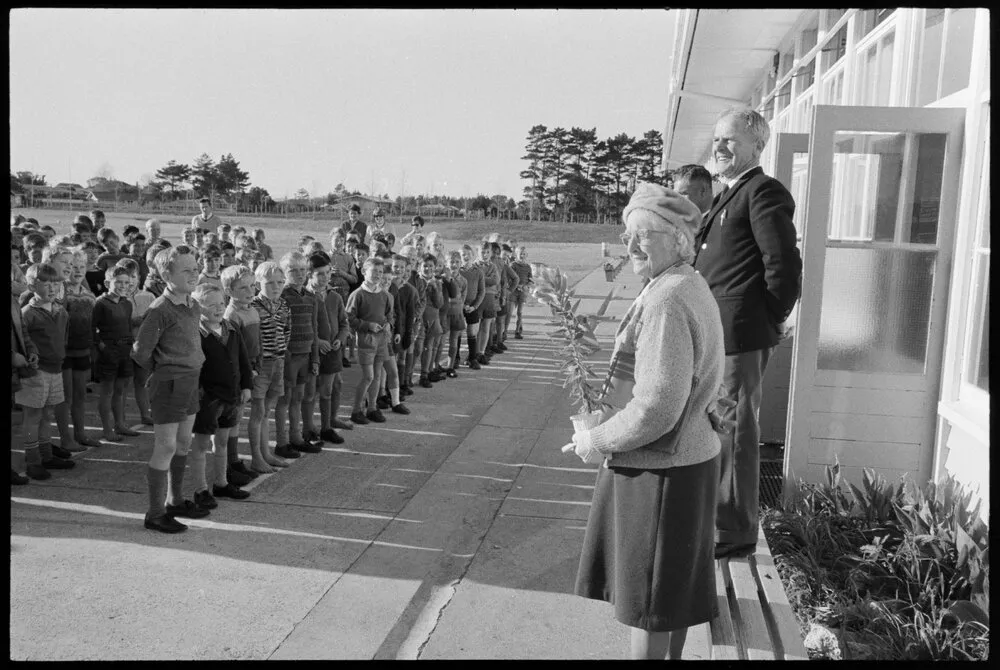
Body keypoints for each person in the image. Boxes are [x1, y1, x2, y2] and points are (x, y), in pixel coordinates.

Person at [565, 183, 732, 660]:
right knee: (667, 603)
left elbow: (658, 406)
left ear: (678, 240)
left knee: (651, 604)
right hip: (686, 460)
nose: (629, 244)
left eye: (643, 235)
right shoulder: (684, 283)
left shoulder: (667, 299)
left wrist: (596, 439)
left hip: (662, 471)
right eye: (626, 232)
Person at [693, 107, 802, 559]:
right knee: (719, 424)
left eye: (730, 141)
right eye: (717, 139)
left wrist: (769, 318)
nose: (719, 147)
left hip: (740, 334)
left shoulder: (762, 191)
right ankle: (718, 519)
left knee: (734, 429)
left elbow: (784, 265)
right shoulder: (729, 193)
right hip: (719, 334)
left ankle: (734, 531)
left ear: (757, 146)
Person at [132, 245, 211, 534]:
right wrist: (162, 369)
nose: (195, 273)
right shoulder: (159, 310)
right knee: (165, 446)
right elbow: (140, 351)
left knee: (182, 444)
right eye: (187, 270)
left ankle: (175, 499)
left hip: (191, 381)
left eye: (196, 267)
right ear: (166, 274)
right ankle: (155, 513)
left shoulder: (193, 304)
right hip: (169, 383)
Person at [187, 283, 253, 511]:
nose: (218, 309)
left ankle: (221, 483)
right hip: (208, 399)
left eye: (221, 304)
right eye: (211, 305)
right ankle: (201, 489)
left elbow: (243, 360)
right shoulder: (196, 333)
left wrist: (247, 386)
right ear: (197, 308)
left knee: (222, 441)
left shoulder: (231, 328)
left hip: (232, 396)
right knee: (202, 444)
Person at [15, 263, 78, 480]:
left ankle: (46, 455)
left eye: (56, 283)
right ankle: (32, 461)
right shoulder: (28, 313)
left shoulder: (60, 310)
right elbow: (22, 340)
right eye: (46, 283)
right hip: (35, 372)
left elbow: (64, 338)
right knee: (33, 416)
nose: (52, 288)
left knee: (47, 414)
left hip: (55, 369)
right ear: (32, 284)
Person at [274, 252, 322, 457]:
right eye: (293, 270)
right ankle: (282, 442)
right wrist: (285, 355)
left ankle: (297, 437)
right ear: (284, 273)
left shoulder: (311, 298)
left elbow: (314, 328)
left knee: (298, 398)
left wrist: (315, 357)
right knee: (284, 400)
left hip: (306, 356)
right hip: (289, 357)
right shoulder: (282, 297)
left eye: (303, 270)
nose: (300, 274)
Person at [249, 261, 293, 472]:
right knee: (258, 411)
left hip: (278, 361)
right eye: (270, 282)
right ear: (258, 283)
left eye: (280, 282)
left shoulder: (283, 305)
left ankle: (266, 453)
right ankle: (257, 457)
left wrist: (281, 353)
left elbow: (286, 331)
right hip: (261, 364)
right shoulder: (254, 306)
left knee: (267, 410)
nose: (276, 287)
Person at [220, 264, 261, 485]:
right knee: (232, 420)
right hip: (240, 373)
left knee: (238, 419)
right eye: (243, 287)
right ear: (229, 291)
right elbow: (236, 352)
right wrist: (248, 373)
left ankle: (234, 461)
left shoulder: (252, 309)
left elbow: (258, 343)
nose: (250, 291)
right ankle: (229, 463)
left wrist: (259, 363)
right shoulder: (231, 315)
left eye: (252, 286)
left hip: (252, 369)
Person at [92, 265, 141, 441]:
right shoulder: (100, 303)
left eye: (126, 283)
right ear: (107, 282)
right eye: (118, 282)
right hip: (109, 353)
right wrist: (102, 347)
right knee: (107, 391)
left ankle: (120, 424)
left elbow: (128, 327)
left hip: (125, 351)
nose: (123, 286)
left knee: (121, 390)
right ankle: (107, 429)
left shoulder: (126, 303)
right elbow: (93, 330)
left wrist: (132, 347)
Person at [345, 257, 393, 423]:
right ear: (364, 272)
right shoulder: (357, 295)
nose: (378, 275)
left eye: (380, 272)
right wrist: (367, 325)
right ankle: (356, 410)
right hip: (366, 341)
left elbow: (389, 315)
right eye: (374, 271)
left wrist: (388, 324)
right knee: (368, 377)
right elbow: (349, 318)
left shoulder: (384, 294)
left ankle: (372, 408)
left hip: (381, 341)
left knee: (377, 376)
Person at [62, 249, 102, 447]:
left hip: (83, 350)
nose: (77, 271)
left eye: (81, 267)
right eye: (73, 267)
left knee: (79, 394)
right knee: (66, 397)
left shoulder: (89, 295)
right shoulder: (61, 293)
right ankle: (65, 438)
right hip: (64, 352)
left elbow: (94, 324)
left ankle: (80, 433)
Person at [459, 244, 486, 369]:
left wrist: (474, 306)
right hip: (459, 306)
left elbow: (481, 291)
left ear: (473, 256)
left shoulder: (478, 272)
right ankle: (455, 358)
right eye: (463, 254)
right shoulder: (458, 271)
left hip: (472, 307)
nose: (466, 257)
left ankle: (472, 358)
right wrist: (461, 305)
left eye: (468, 255)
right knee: (458, 331)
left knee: (471, 332)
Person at [444, 251, 469, 377]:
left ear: (461, 263)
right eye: (451, 262)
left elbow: (462, 300)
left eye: (457, 262)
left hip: (457, 314)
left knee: (454, 341)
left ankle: (450, 366)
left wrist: (454, 301)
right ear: (446, 263)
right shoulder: (443, 279)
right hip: (444, 314)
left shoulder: (463, 281)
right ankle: (435, 366)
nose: (454, 265)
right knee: (441, 341)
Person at [510, 245, 533, 339]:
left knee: (520, 312)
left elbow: (530, 280)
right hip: (514, 291)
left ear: (526, 255)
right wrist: (517, 285)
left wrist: (526, 286)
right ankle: (503, 331)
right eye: (520, 254)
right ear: (516, 254)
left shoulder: (528, 267)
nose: (522, 256)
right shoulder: (513, 265)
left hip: (523, 292)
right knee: (509, 312)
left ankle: (518, 330)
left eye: (524, 254)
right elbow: (510, 278)